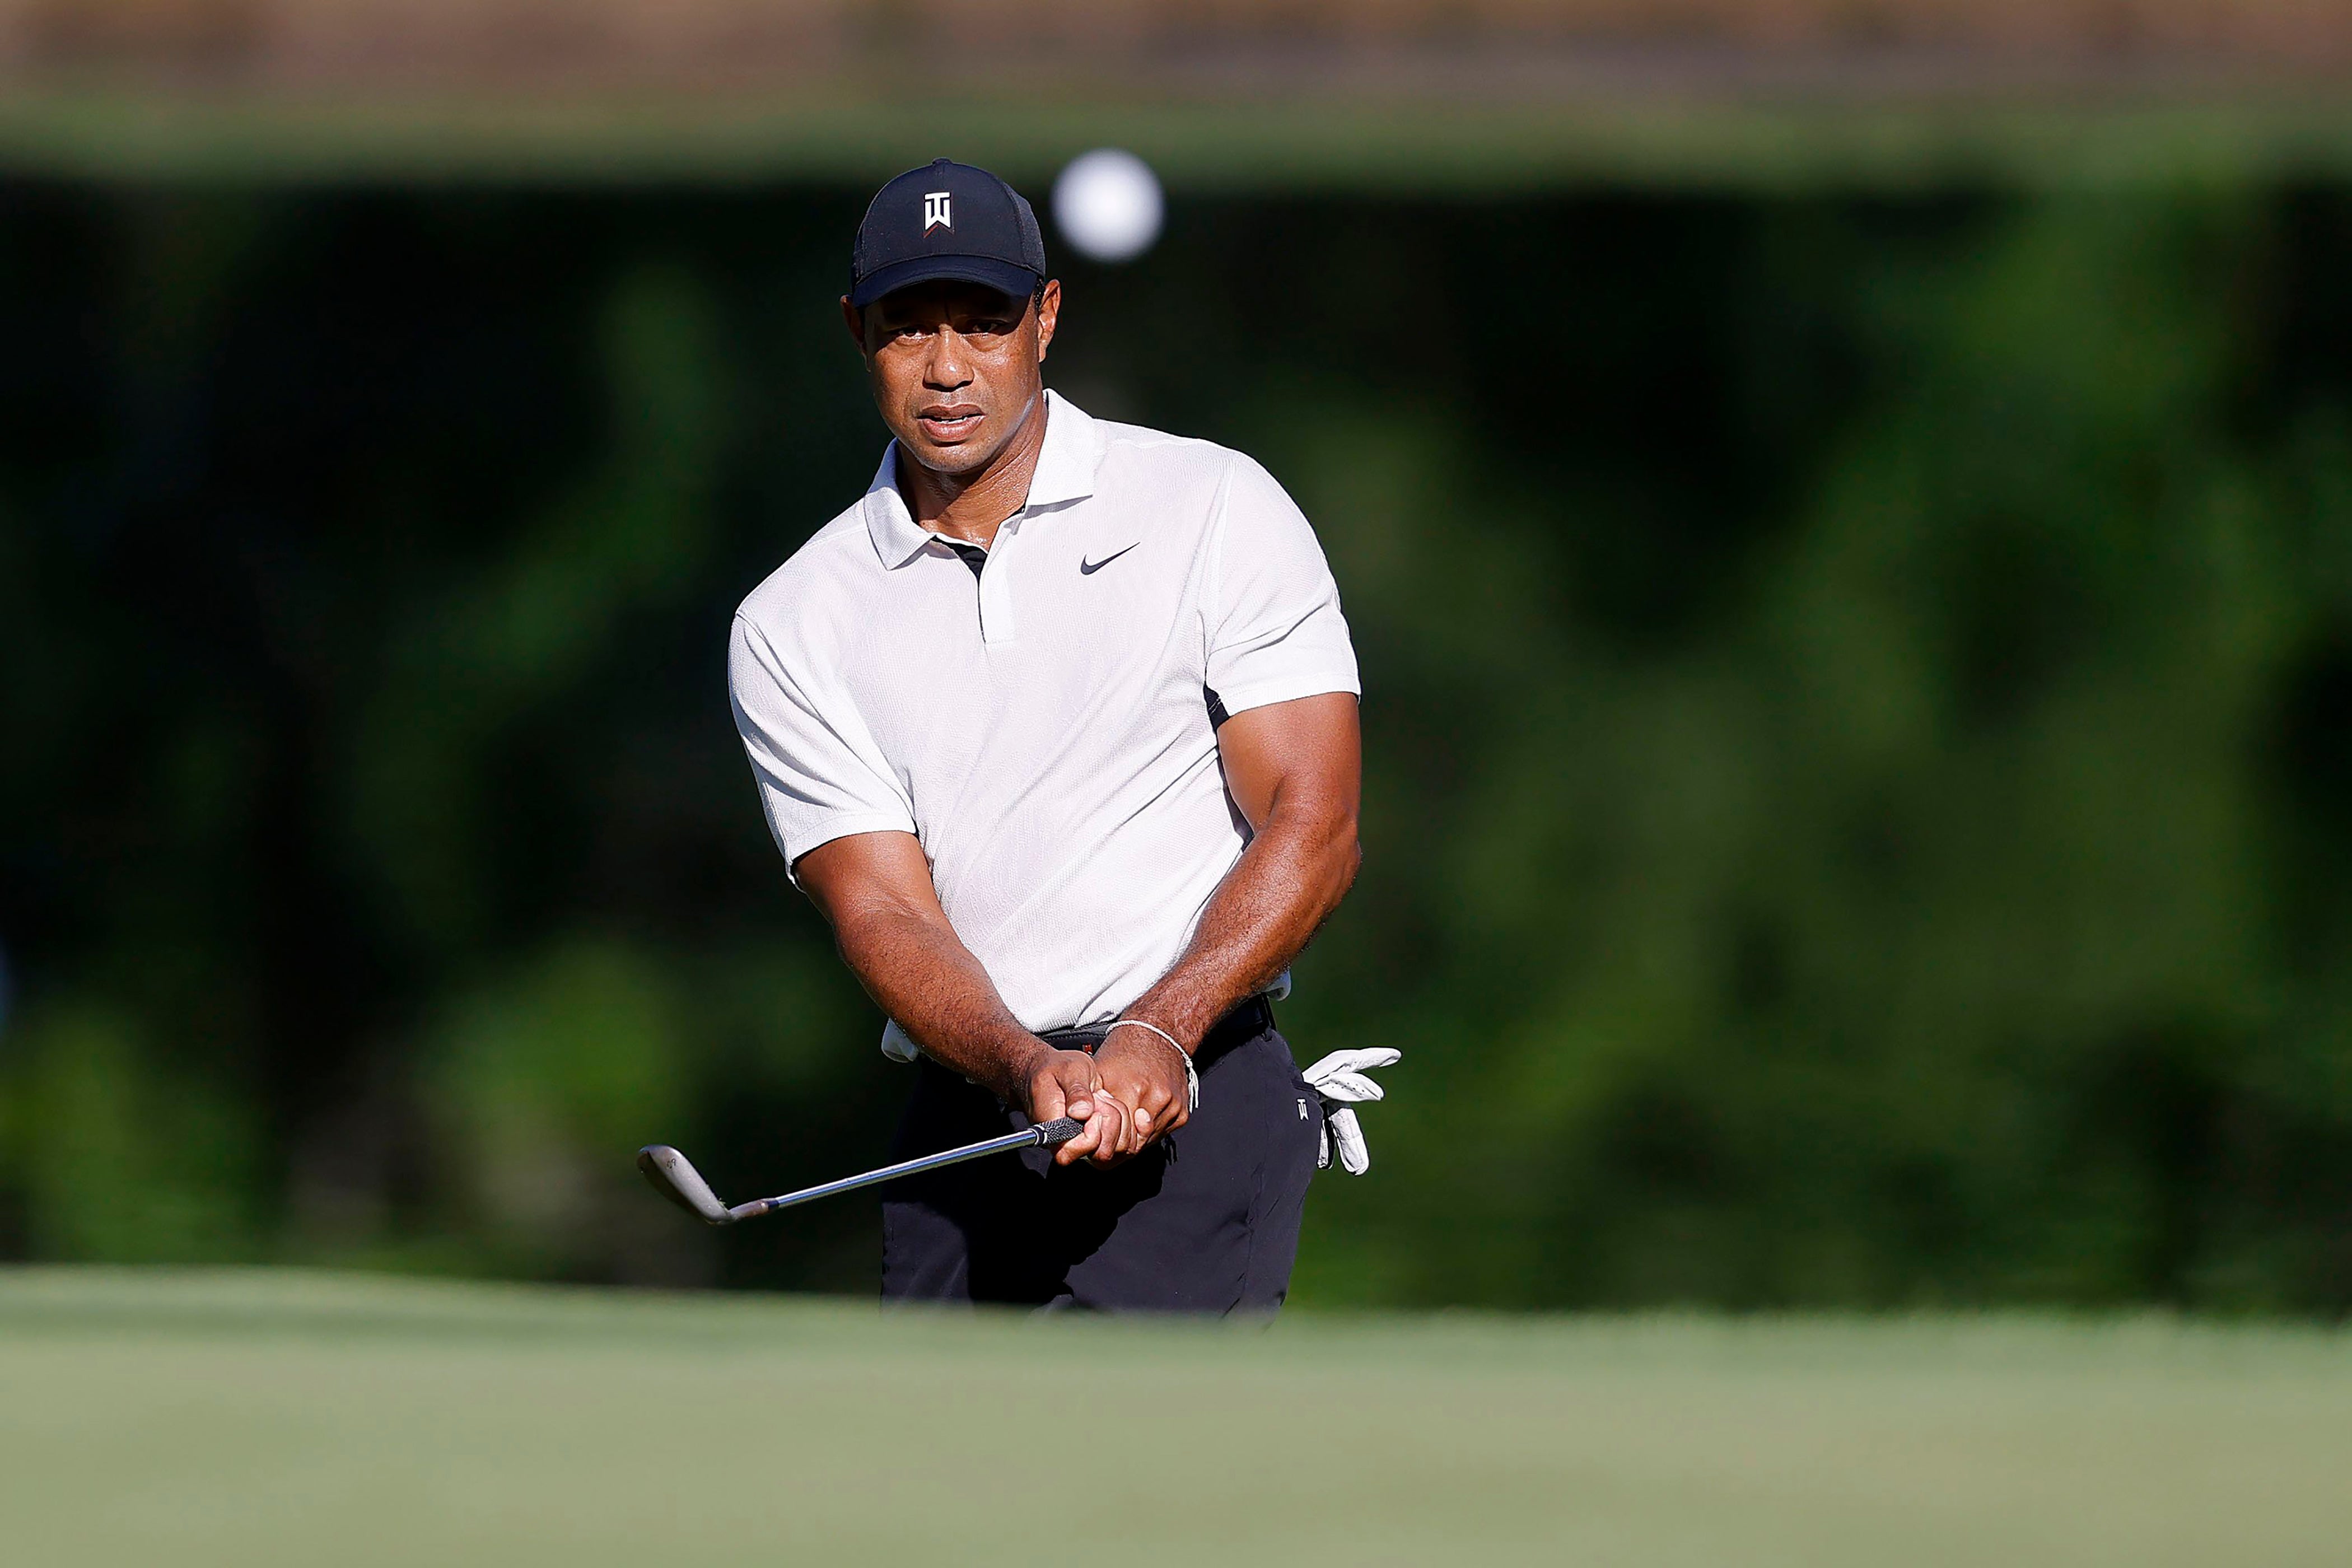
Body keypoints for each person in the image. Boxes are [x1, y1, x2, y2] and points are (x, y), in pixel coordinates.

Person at [729, 158, 1387, 1312]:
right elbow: (881, 906)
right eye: (907, 327)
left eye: (984, 323)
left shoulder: (1213, 505)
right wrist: (1024, 1062)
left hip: (1197, 1088)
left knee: (1142, 1475)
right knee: (932, 1485)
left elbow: (1317, 822)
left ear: (1046, 317)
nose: (946, 367)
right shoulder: (796, 616)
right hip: (969, 1110)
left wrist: (1162, 1031)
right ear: (855, 331)